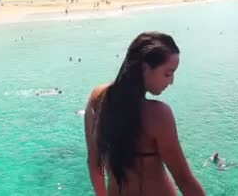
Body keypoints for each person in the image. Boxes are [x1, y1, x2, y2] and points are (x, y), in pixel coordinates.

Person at [84, 32, 205, 196]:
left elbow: (94, 163)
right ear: (145, 68)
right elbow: (183, 178)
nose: (171, 81)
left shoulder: (98, 99)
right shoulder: (158, 114)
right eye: (168, 73)